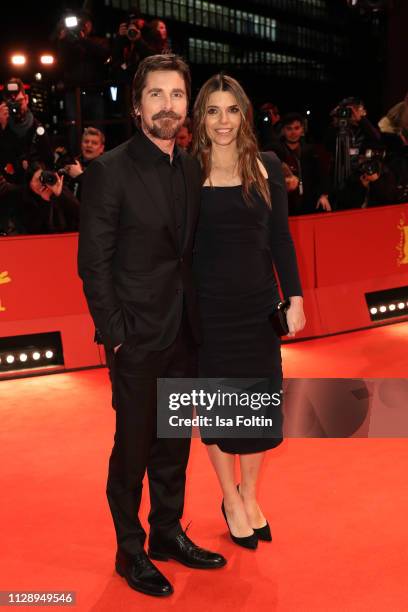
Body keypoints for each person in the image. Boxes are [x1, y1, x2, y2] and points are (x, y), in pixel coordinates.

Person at [77, 54, 226, 598]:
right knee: (133, 446)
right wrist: (116, 331)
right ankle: (129, 550)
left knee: (173, 443)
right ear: (137, 104)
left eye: (177, 96)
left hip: (183, 331)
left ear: (188, 104)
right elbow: (93, 262)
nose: (168, 106)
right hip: (135, 336)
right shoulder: (108, 170)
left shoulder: (188, 165)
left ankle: (167, 533)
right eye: (157, 96)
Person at [192, 74, 306, 549]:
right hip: (209, 310)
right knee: (219, 412)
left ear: (245, 114)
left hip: (259, 306)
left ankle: (250, 493)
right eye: (213, 110)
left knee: (258, 409)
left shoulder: (268, 165)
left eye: (232, 110)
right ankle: (229, 497)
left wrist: (295, 296)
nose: (223, 121)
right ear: (201, 117)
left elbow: (280, 237)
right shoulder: (185, 170)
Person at [270, 113, 331, 214]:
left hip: (309, 203)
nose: (293, 132)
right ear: (283, 130)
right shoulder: (275, 151)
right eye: (289, 128)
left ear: (302, 130)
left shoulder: (312, 151)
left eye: (296, 128)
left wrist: (323, 195)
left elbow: (322, 175)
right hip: (284, 204)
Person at [0, 78, 53, 185]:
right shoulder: (2, 126)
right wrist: (2, 128)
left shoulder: (38, 128)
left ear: (27, 99)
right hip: (7, 190)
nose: (15, 107)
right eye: (11, 103)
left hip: (32, 188)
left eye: (19, 102)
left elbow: (49, 162)